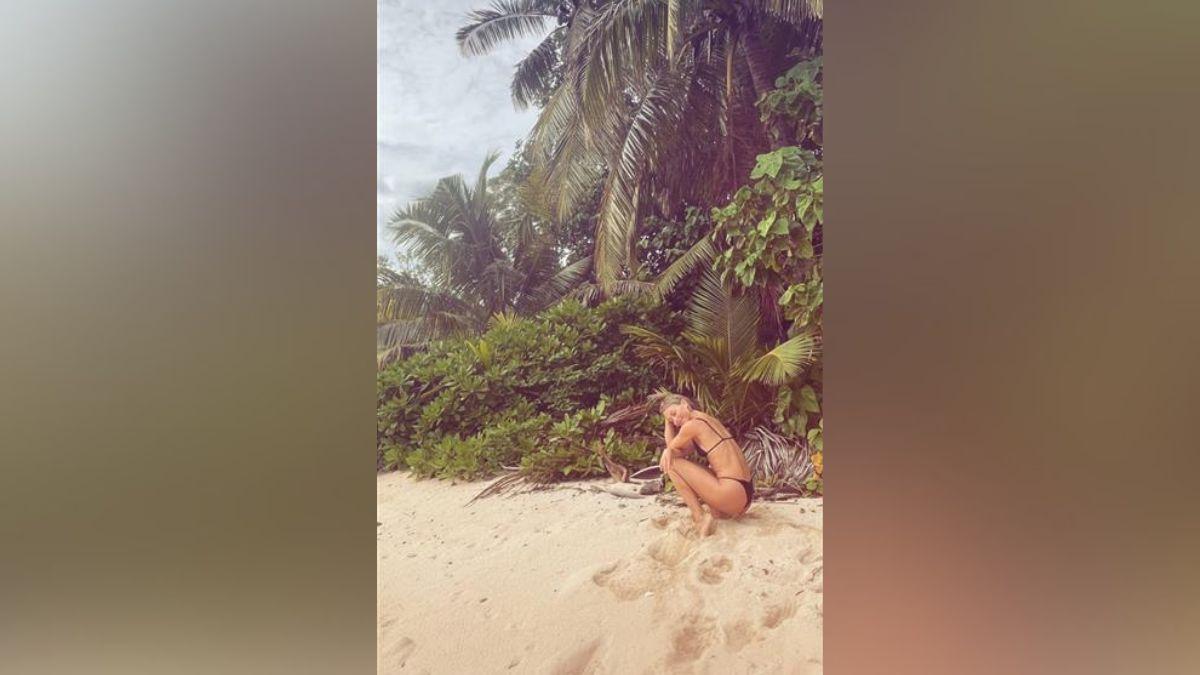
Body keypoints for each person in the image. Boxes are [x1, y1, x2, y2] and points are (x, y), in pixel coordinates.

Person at [658, 394, 755, 536]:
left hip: (732, 492)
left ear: (684, 403)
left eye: (674, 413)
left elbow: (670, 452)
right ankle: (718, 512)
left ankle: (699, 518)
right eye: (671, 421)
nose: (676, 420)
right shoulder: (707, 420)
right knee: (673, 460)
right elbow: (679, 452)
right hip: (744, 494)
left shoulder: (691, 426)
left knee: (671, 464)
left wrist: (668, 443)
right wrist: (668, 421)